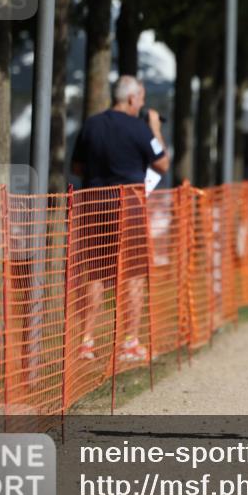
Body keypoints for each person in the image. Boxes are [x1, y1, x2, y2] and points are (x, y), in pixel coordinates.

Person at [71, 75, 170, 363]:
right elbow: (162, 162)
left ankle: (86, 342)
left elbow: (77, 166)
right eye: (140, 98)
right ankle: (129, 342)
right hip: (129, 206)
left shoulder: (91, 124)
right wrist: (154, 127)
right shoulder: (139, 128)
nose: (141, 103)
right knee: (134, 273)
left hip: (94, 206)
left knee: (96, 273)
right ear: (131, 98)